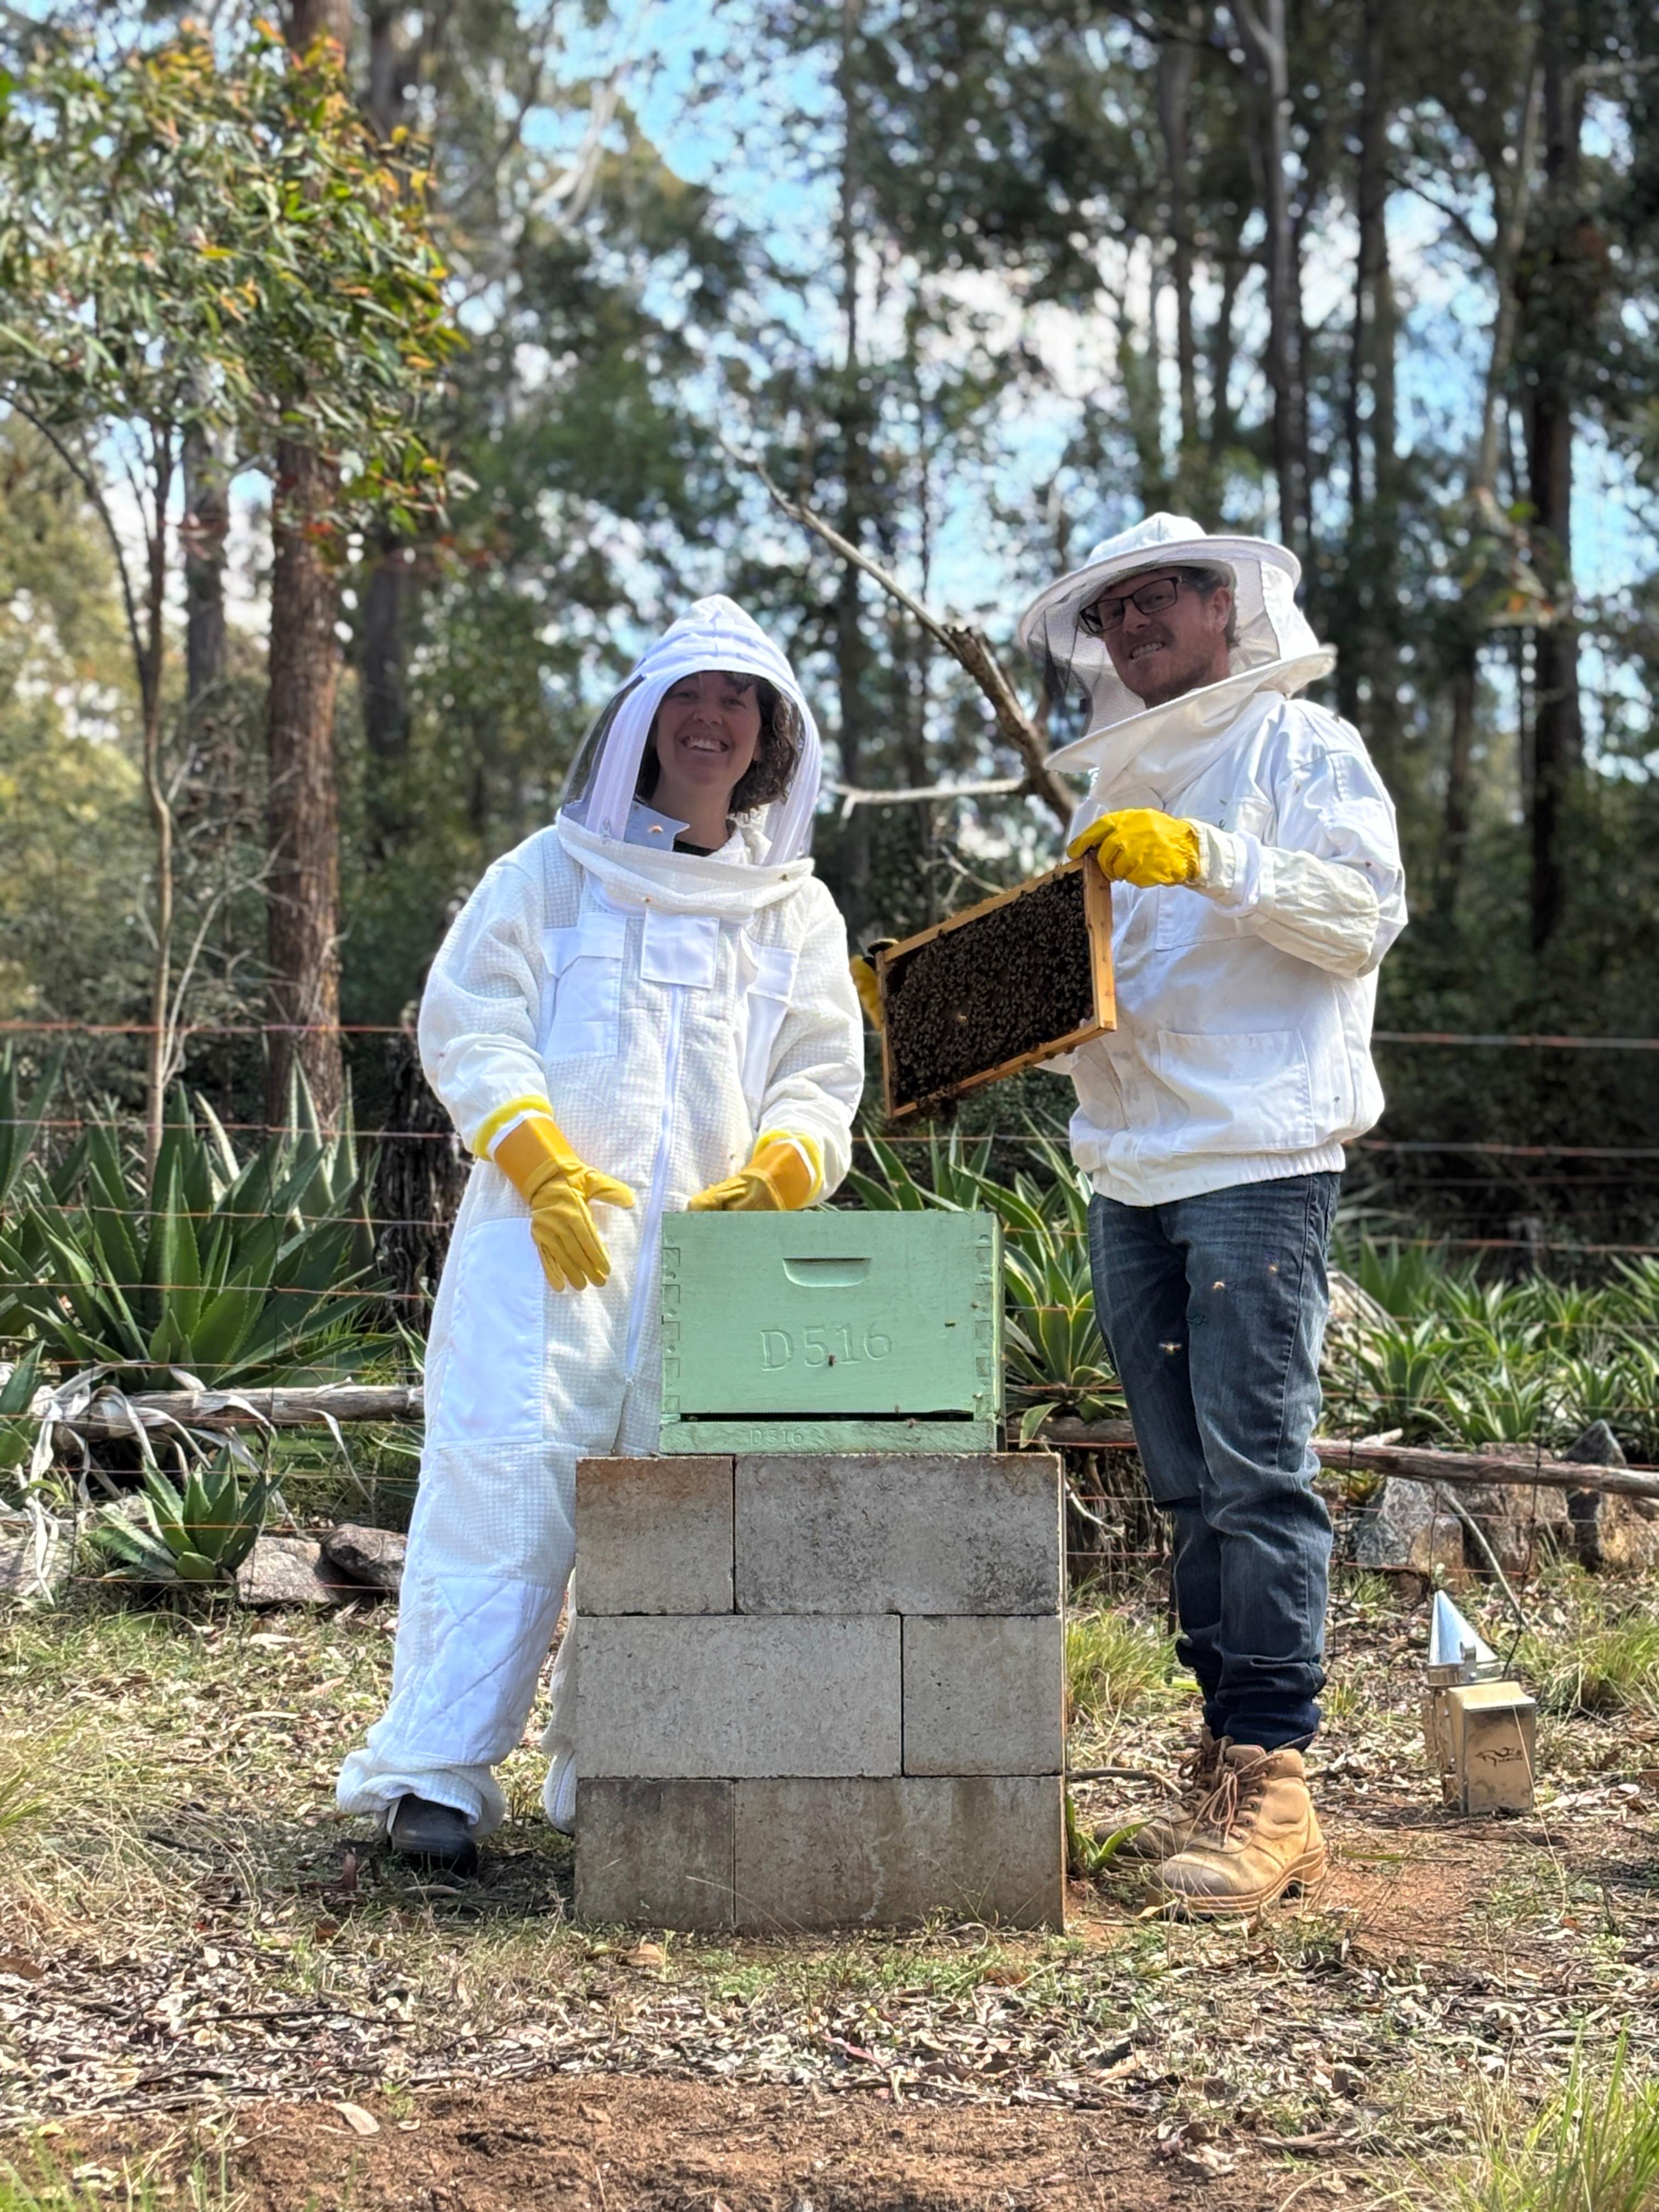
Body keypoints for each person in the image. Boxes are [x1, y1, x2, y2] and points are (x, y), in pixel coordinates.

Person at [338, 596, 864, 1872]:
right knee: (503, 1490)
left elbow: (819, 1070)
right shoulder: (549, 872)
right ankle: (439, 1779)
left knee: (675, 1508)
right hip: (544, 1248)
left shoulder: (792, 911)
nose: (712, 720)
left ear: (769, 741)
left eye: (739, 701)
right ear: (643, 720)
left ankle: (624, 1767)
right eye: (691, 697)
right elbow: (470, 1019)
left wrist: (785, 1174)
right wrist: (539, 1156)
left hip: (711, 1268)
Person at [1017, 512, 1406, 1914]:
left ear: (1225, 607)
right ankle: (1225, 1756)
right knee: (1186, 1485)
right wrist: (991, 1019)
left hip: (1259, 1160)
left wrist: (1209, 858)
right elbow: (1097, 1002)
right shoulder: (1104, 795)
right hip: (1133, 1168)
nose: (1134, 630)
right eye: (1113, 614)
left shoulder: (1309, 751)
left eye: (1160, 602)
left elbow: (1362, 917)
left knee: (1259, 1473)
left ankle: (1279, 1781)